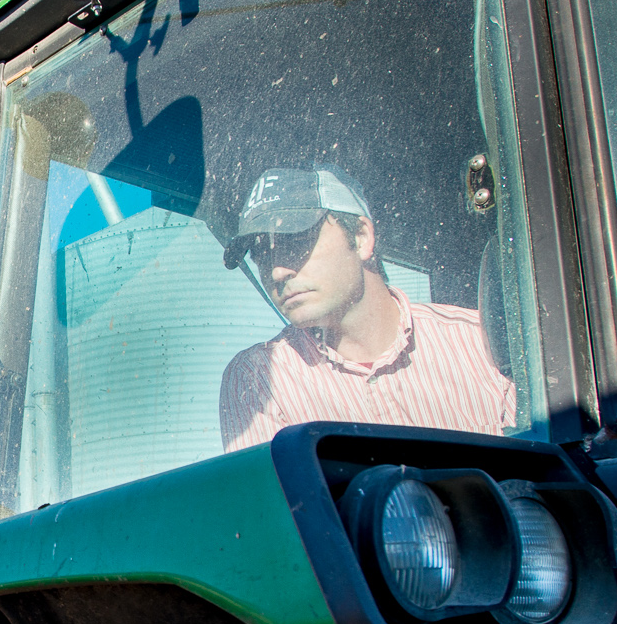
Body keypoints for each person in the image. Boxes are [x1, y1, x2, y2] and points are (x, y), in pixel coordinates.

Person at [217, 166, 515, 451]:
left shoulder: (486, 346)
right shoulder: (259, 381)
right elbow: (275, 503)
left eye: (294, 241)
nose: (276, 272)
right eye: (260, 255)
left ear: (361, 237)